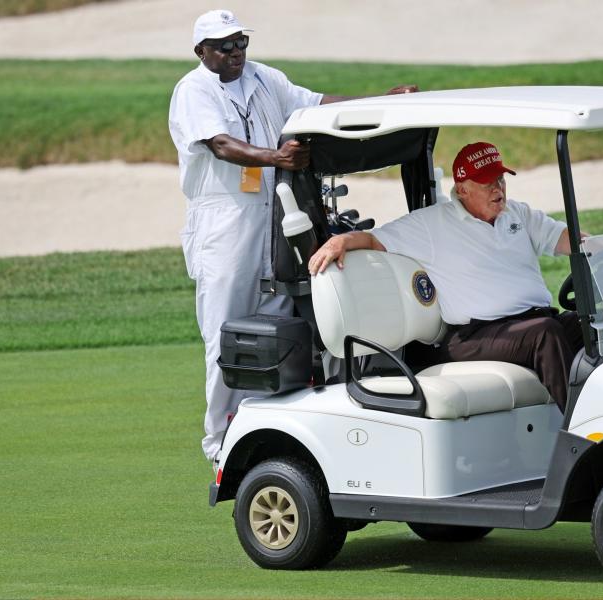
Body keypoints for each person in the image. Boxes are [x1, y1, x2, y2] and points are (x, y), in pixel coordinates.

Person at [168, 9, 417, 468]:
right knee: (227, 330)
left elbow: (317, 102)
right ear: (201, 51)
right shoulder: (192, 90)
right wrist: (277, 158)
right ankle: (220, 437)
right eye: (224, 46)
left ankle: (272, 424)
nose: (235, 52)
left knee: (281, 315)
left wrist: (382, 100)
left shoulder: (264, 78)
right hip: (223, 225)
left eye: (240, 42)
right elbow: (221, 145)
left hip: (274, 217)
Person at [307, 142, 585, 412]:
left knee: (595, 323)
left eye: (500, 179)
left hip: (532, 322)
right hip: (474, 336)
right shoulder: (432, 224)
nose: (498, 189)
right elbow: (373, 239)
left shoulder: (518, 213)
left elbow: (564, 238)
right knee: (545, 335)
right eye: (487, 183)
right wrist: (339, 242)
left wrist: (602, 250)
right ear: (462, 189)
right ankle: (584, 432)